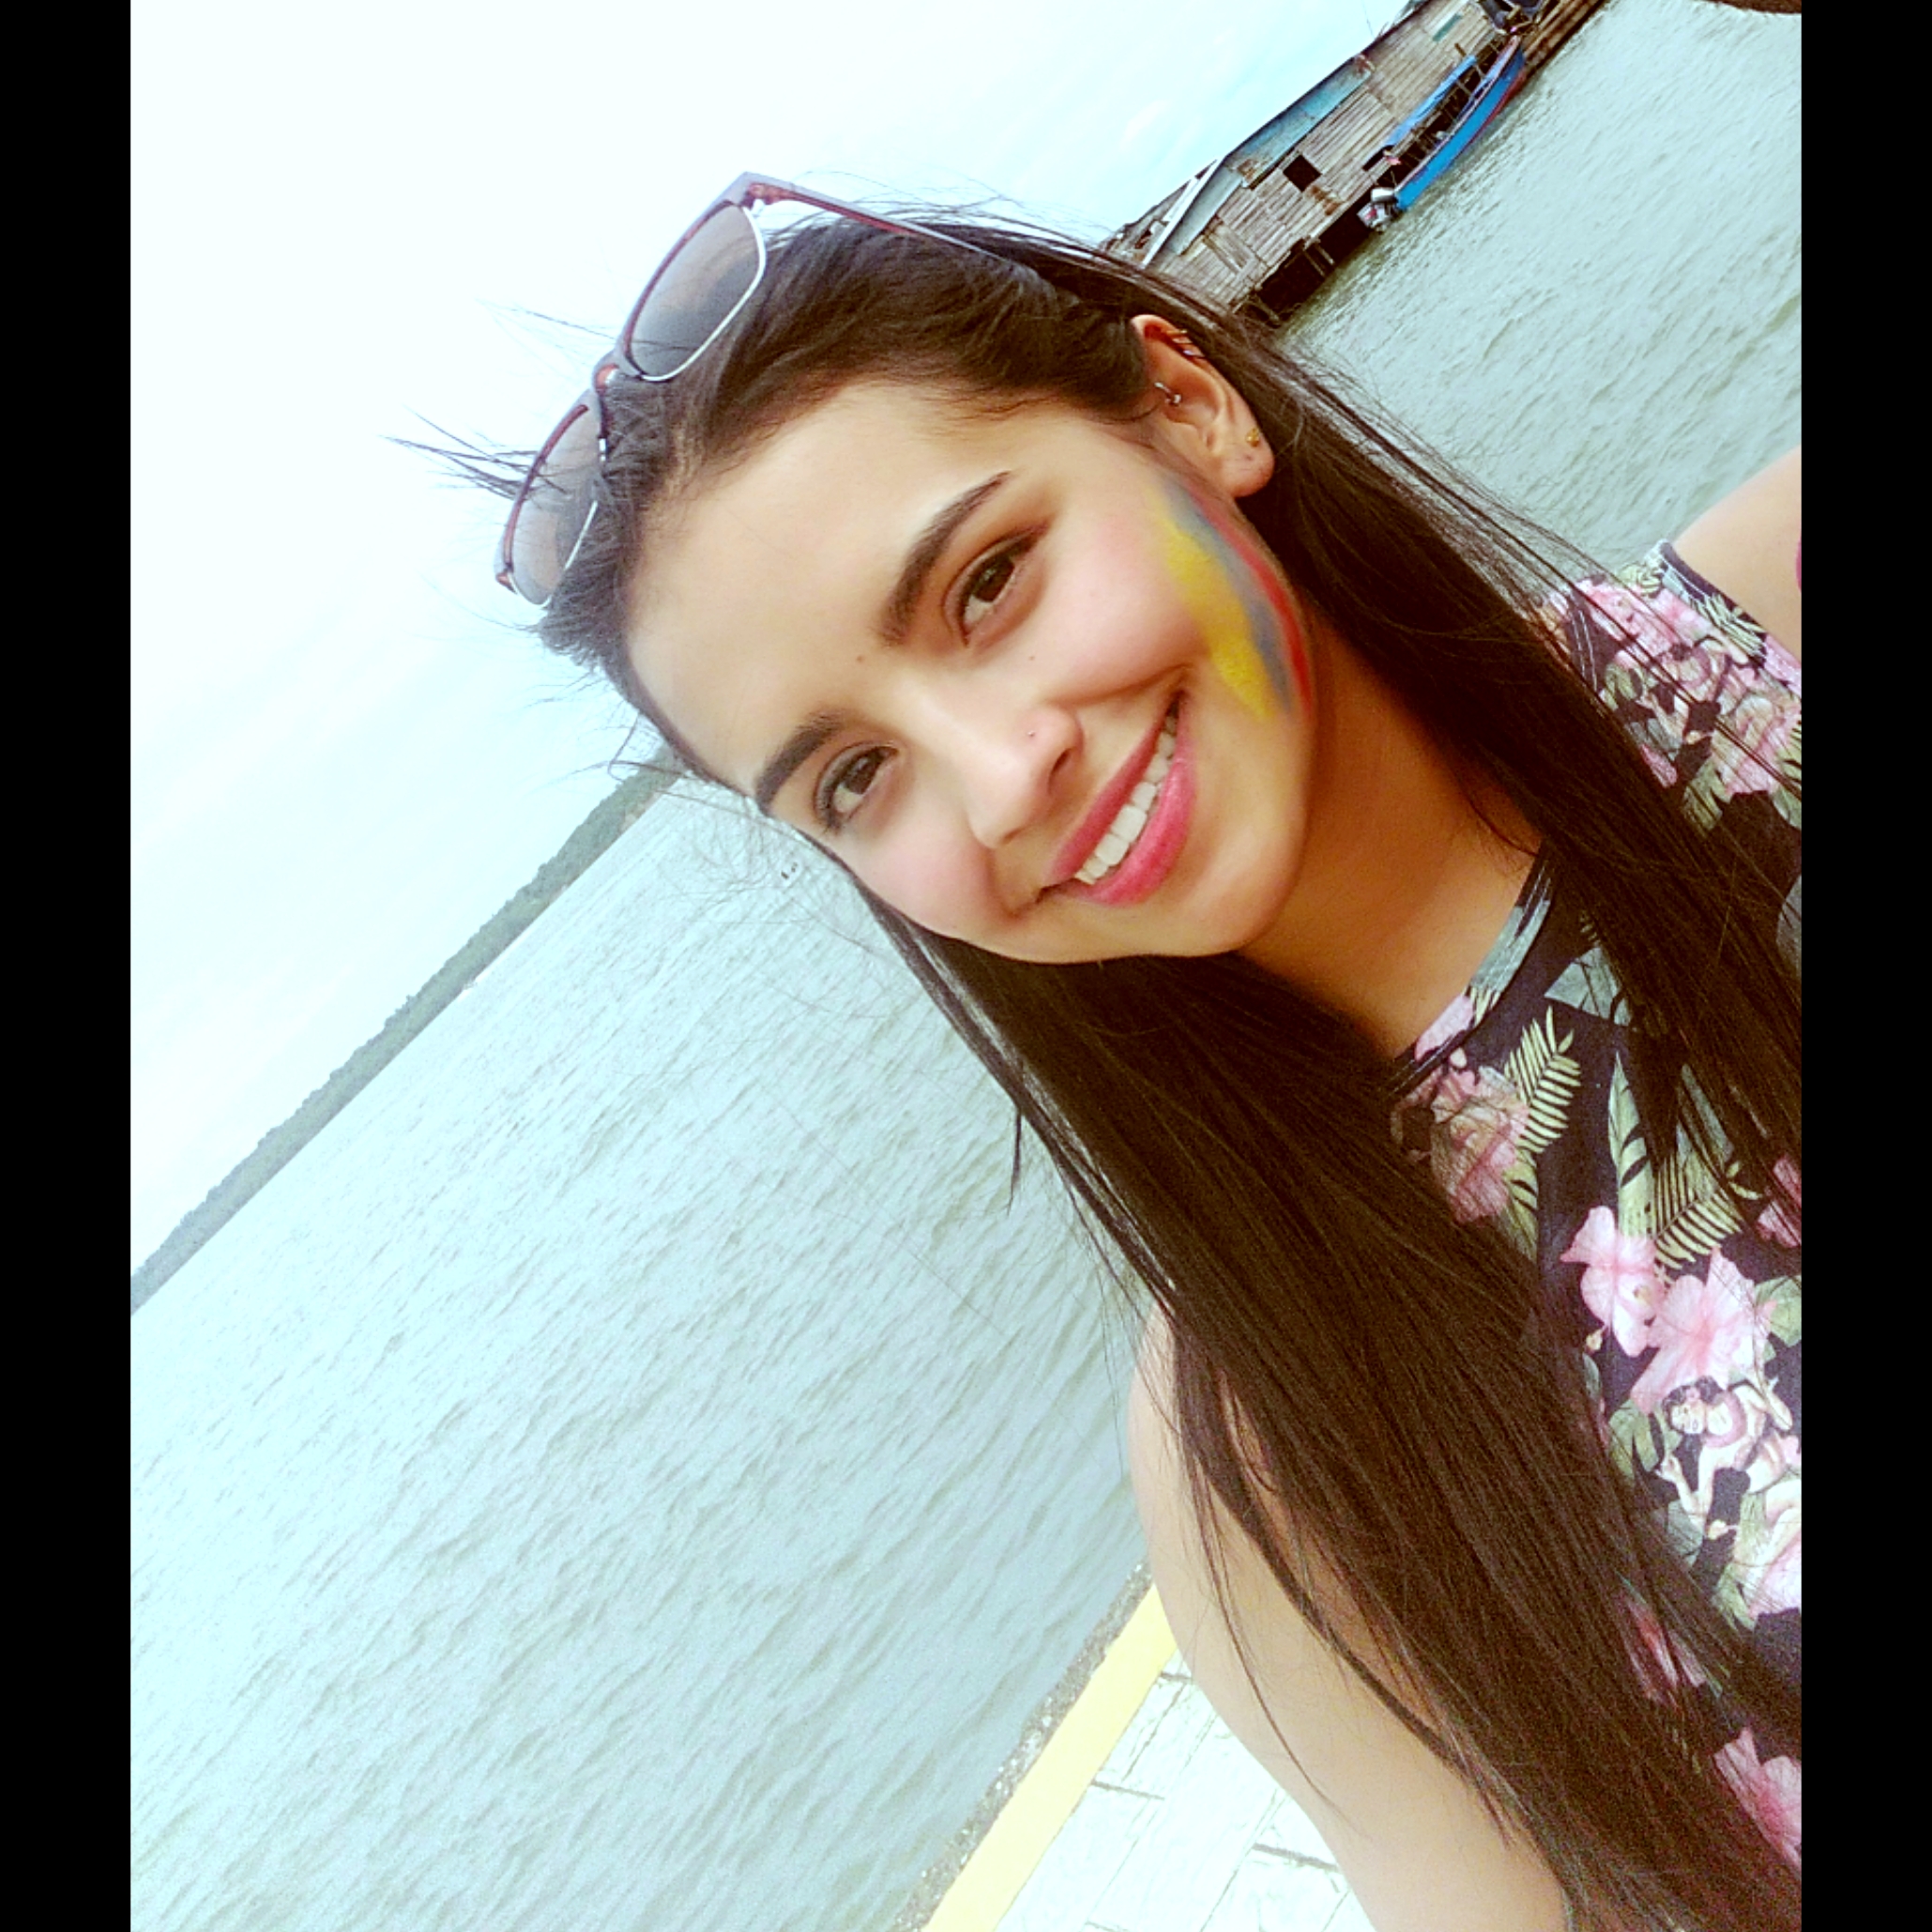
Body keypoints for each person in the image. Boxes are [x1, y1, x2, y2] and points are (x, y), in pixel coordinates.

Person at [453, 178, 1801, 1932]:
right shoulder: (1287, 1469)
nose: (999, 778)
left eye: (987, 583)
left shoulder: (1771, 644)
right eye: (853, 776)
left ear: (1187, 405)